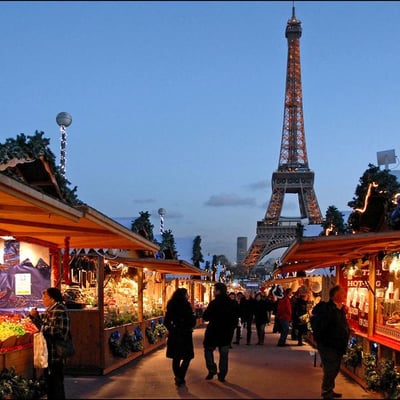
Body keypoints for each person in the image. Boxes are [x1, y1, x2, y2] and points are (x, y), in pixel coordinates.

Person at [29, 287, 71, 400]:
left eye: (45, 296)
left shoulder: (59, 309)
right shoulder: (51, 309)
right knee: (52, 383)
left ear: (52, 299)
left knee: (55, 383)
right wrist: (35, 317)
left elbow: (58, 331)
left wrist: (39, 323)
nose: (43, 299)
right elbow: (43, 322)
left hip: (56, 354)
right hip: (50, 353)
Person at [312, 285, 350, 399]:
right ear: (336, 295)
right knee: (330, 368)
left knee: (335, 368)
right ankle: (326, 391)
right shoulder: (328, 309)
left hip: (337, 344)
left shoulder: (340, 309)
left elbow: (340, 324)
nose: (344, 294)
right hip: (328, 344)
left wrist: (347, 329)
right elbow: (325, 325)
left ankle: (329, 389)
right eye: (342, 292)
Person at [202, 282, 239, 382]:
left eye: (214, 290)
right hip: (226, 333)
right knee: (224, 354)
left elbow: (206, 317)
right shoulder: (232, 303)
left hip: (213, 331)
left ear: (218, 291)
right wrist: (232, 328)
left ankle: (212, 369)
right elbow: (236, 318)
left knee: (208, 350)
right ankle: (222, 374)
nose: (213, 291)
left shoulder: (214, 303)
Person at [163, 287, 197, 387]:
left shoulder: (171, 304)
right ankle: (180, 376)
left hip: (175, 334)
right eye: (187, 294)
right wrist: (190, 325)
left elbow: (166, 321)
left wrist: (172, 329)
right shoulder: (186, 305)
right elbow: (191, 320)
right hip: (185, 334)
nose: (188, 295)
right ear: (184, 295)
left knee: (176, 357)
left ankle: (178, 376)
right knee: (188, 356)